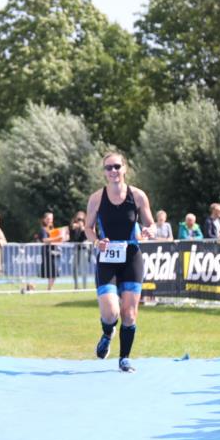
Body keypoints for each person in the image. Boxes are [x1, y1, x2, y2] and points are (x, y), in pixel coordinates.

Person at [84, 151, 155, 373]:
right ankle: (107, 333)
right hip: (107, 258)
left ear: (125, 168)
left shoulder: (138, 196)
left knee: (129, 313)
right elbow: (88, 228)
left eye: (117, 166)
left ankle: (124, 358)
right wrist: (97, 241)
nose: (113, 171)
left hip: (131, 256)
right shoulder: (97, 198)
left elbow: (151, 224)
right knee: (111, 313)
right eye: (109, 167)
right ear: (104, 172)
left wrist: (150, 230)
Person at [36, 212, 61, 290]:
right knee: (51, 271)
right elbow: (44, 240)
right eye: (48, 219)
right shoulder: (43, 229)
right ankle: (49, 288)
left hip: (53, 251)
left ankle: (50, 288)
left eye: (51, 219)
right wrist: (56, 238)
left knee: (54, 271)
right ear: (44, 219)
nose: (50, 220)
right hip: (47, 252)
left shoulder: (51, 229)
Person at [68, 210, 89, 290]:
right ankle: (76, 286)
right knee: (74, 268)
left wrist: (83, 230)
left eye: (81, 219)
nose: (80, 221)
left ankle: (84, 287)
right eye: (78, 219)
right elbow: (72, 238)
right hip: (76, 249)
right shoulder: (73, 227)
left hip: (84, 249)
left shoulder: (87, 226)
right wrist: (73, 229)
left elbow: (87, 238)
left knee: (84, 269)